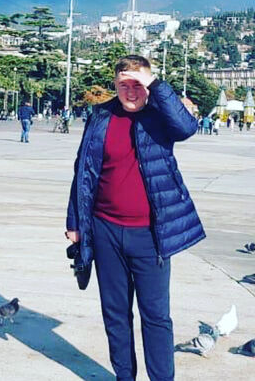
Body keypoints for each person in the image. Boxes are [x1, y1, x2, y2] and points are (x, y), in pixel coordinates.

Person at [65, 55, 205, 381]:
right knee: (115, 313)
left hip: (150, 234)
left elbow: (186, 128)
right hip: (105, 229)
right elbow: (83, 169)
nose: (130, 92)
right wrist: (74, 222)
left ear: (148, 85)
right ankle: (124, 377)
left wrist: (154, 84)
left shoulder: (160, 116)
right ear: (115, 85)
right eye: (123, 85)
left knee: (155, 316)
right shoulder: (100, 116)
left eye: (137, 85)